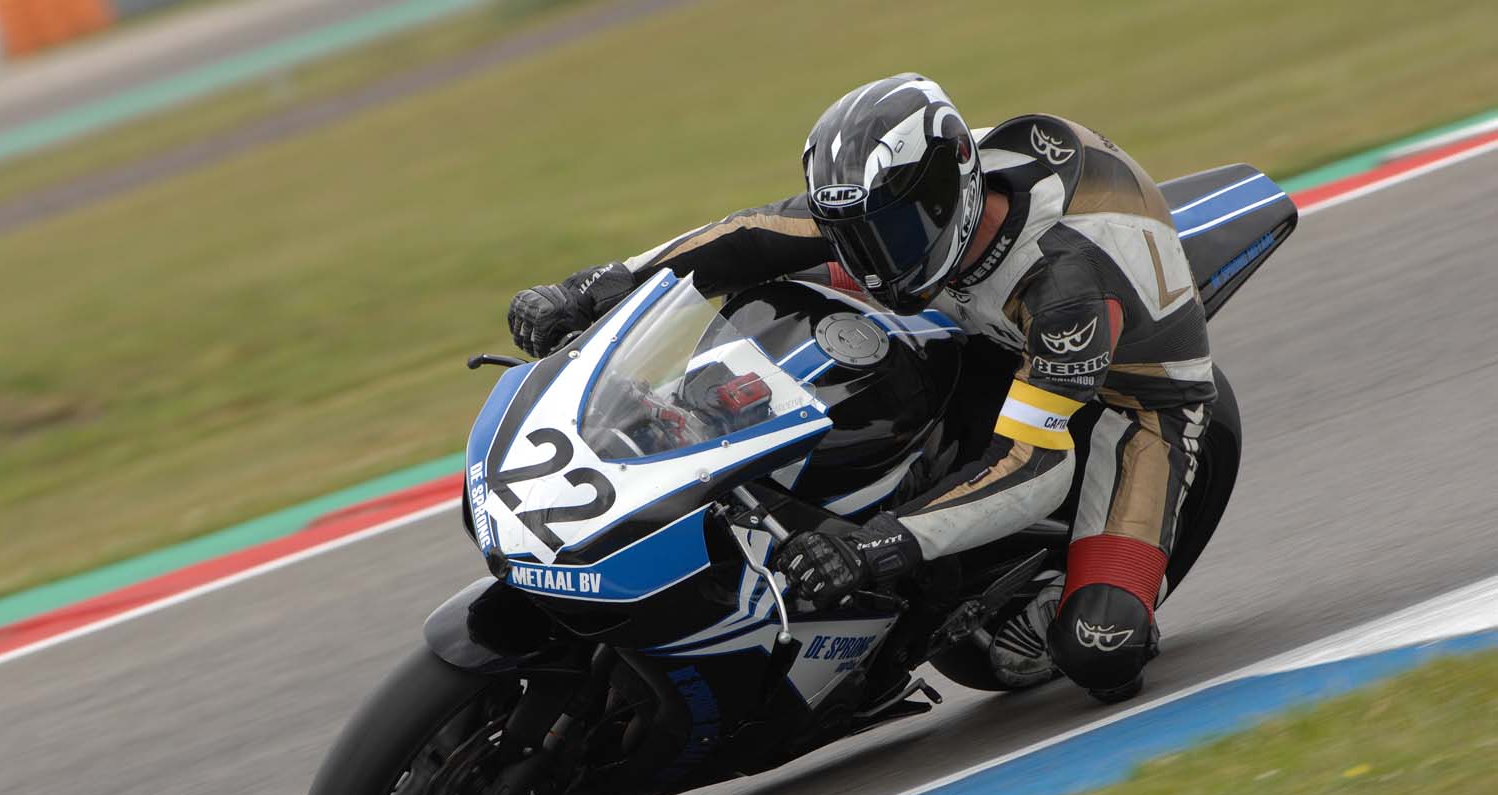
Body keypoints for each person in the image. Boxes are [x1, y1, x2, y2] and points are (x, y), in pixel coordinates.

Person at [505, 73, 1214, 703]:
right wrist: (593, 289)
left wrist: (877, 546)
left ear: (951, 194)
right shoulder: (898, 197)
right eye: (856, 231)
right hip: (977, 317)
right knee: (782, 290)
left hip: (1132, 398)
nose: (872, 257)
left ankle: (1096, 609)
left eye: (892, 231)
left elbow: (1035, 466)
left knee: (1096, 651)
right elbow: (749, 234)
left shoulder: (1065, 288)